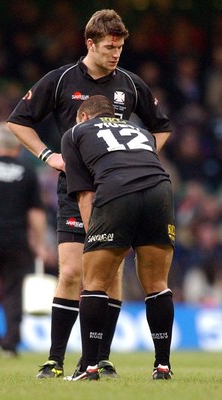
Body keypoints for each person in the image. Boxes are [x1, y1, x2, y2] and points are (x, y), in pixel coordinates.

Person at [7, 9, 171, 378]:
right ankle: (55, 359)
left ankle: (98, 357)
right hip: (74, 186)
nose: (116, 54)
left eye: (120, 47)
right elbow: (17, 121)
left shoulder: (130, 84)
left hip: (118, 190)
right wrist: (47, 155)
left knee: (110, 272)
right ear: (90, 43)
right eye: (110, 47)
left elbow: (162, 127)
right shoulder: (61, 79)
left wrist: (136, 157)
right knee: (70, 271)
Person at [61, 95, 175, 380]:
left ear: (84, 116)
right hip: (159, 191)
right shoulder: (141, 131)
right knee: (158, 284)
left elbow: (85, 193)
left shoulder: (75, 132)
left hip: (116, 192)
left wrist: (94, 238)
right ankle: (162, 366)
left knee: (95, 282)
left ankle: (89, 367)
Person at [0, 122, 47, 357]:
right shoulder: (27, 171)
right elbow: (35, 212)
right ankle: (11, 344)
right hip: (16, 241)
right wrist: (39, 243)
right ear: (19, 146)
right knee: (14, 292)